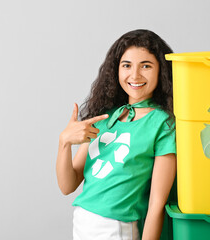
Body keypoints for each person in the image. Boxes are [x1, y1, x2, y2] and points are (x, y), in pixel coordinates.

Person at [56, 29, 176, 240]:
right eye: (126, 65)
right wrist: (64, 142)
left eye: (146, 66)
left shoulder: (162, 124)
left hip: (117, 228)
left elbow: (157, 204)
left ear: (161, 71)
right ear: (116, 70)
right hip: (82, 224)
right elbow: (68, 185)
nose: (135, 75)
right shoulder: (103, 118)